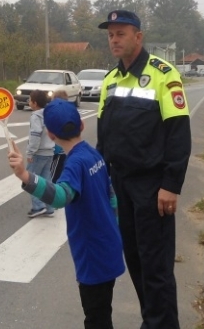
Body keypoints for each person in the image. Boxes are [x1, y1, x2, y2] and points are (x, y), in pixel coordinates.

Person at [96, 10, 191, 328]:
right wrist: (100, 181)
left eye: (120, 33)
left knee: (156, 266)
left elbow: (178, 133)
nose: (114, 39)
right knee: (135, 261)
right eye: (110, 34)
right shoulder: (110, 80)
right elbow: (103, 138)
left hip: (152, 187)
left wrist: (171, 185)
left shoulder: (163, 74)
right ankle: (153, 321)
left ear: (138, 36)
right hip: (120, 184)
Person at [7, 99, 124, 329]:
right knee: (103, 311)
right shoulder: (93, 154)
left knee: (95, 318)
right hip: (109, 245)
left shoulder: (75, 164)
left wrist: (24, 175)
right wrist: (115, 230)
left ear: (51, 135)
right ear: (81, 125)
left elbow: (61, 196)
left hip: (92, 255)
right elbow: (112, 197)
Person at [25, 89, 56, 218]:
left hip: (39, 153)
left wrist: (30, 152)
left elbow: (35, 135)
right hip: (50, 151)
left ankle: (38, 206)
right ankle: (49, 207)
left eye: (30, 100)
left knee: (31, 180)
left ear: (35, 103)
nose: (28, 102)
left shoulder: (36, 116)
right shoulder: (48, 114)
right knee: (47, 180)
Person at [50, 90, 69, 182]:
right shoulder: (68, 112)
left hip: (58, 150)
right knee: (61, 173)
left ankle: (53, 189)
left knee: (54, 175)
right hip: (66, 150)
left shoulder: (56, 114)